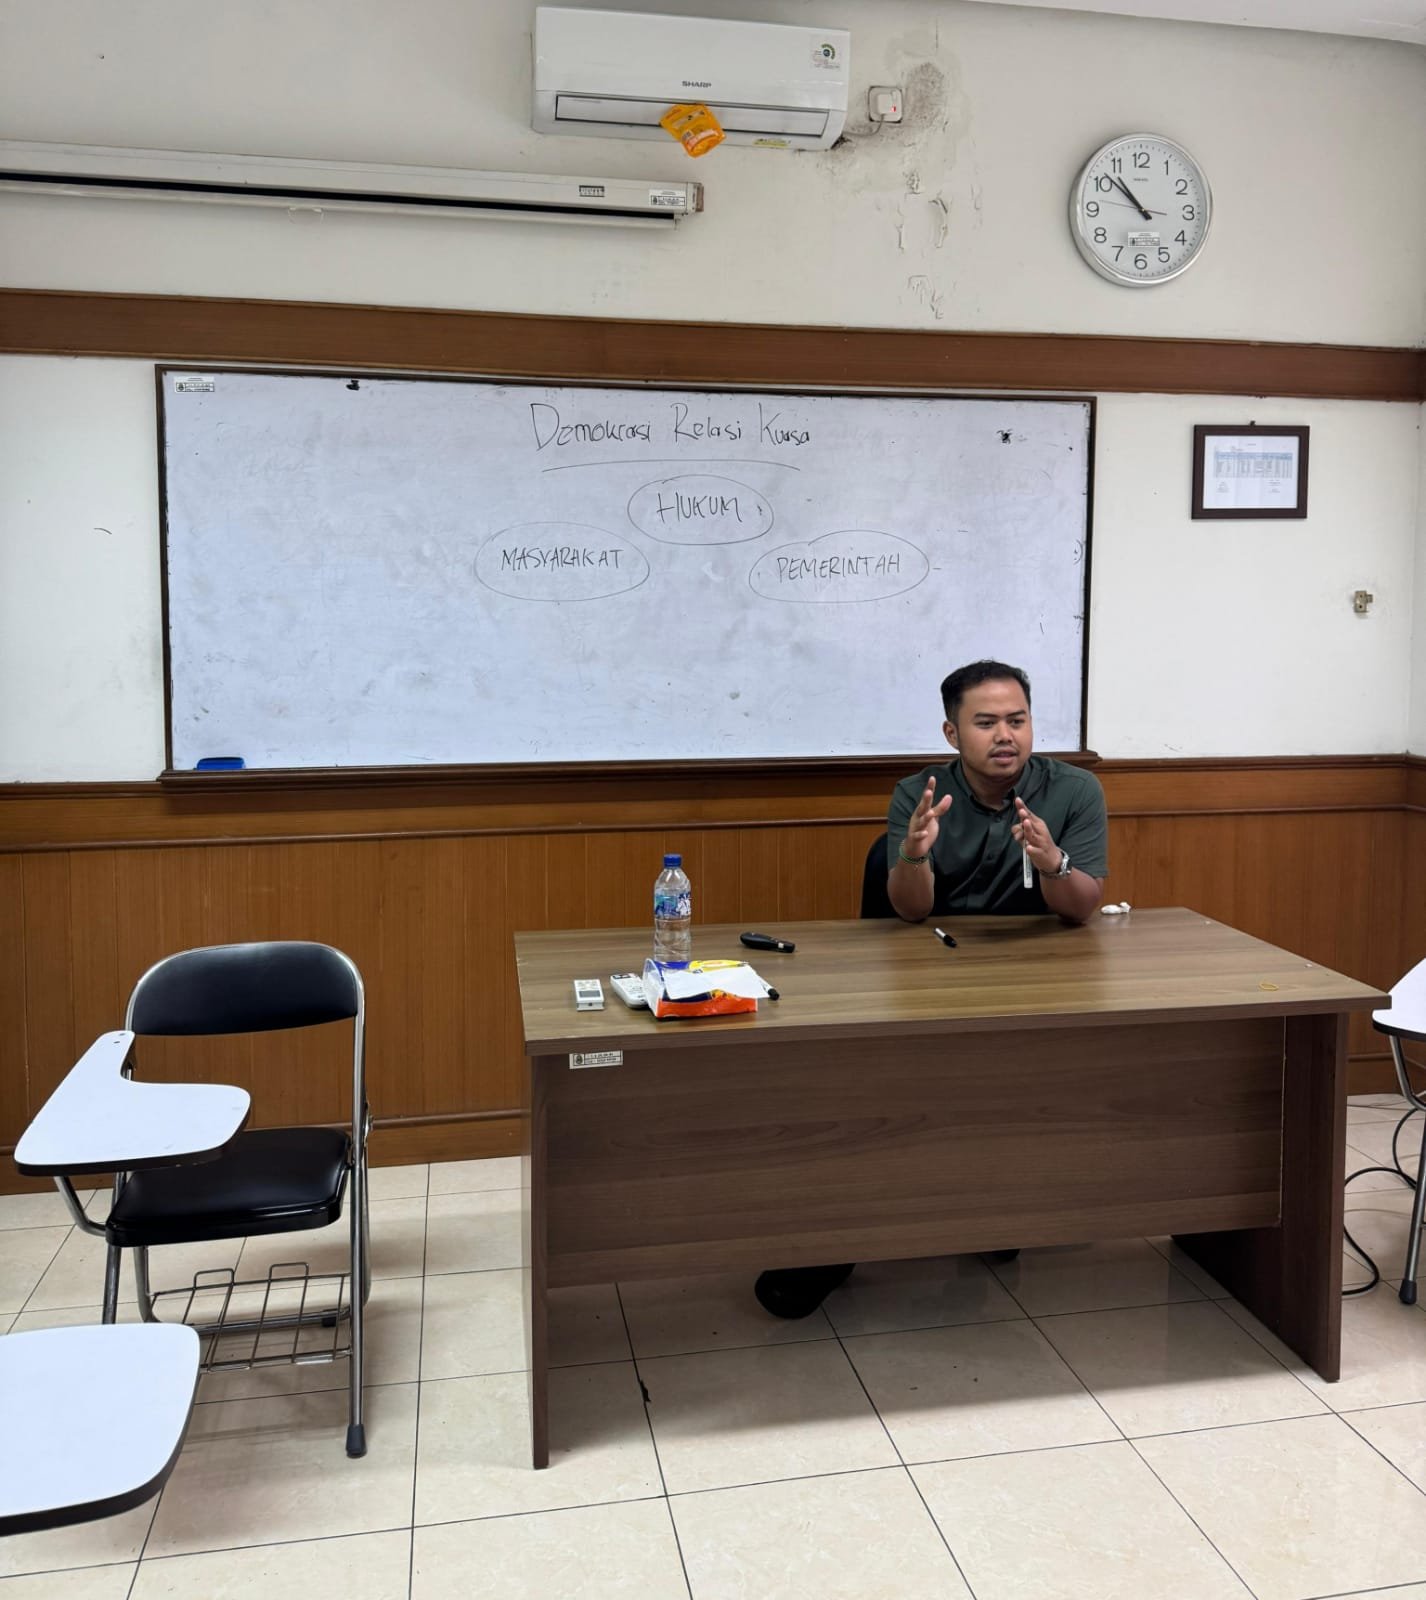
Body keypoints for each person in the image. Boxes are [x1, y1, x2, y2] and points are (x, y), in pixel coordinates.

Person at [753, 659, 1109, 1320]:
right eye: (986, 722)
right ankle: (836, 1239)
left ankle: (991, 1208)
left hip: (1028, 982)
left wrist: (1052, 861)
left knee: (1038, 1088)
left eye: (1017, 720)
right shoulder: (918, 793)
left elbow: (1082, 908)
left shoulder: (1074, 790)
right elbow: (909, 911)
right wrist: (914, 853)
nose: (1005, 735)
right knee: (883, 1099)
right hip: (923, 976)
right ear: (952, 733)